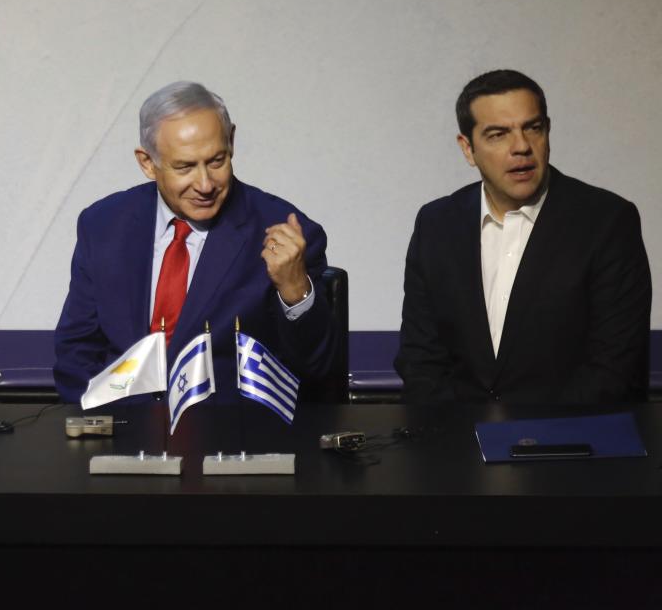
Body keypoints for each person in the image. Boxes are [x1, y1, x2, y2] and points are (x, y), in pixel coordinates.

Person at [54, 81, 339, 403]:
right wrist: (98, 424)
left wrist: (294, 289)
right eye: (185, 167)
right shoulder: (103, 225)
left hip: (232, 437)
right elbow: (76, 350)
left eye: (216, 161)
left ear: (231, 141)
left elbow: (316, 368)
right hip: (122, 428)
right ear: (148, 163)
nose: (205, 184)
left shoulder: (286, 231)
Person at [395, 69, 651, 403]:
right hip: (456, 440)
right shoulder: (436, 223)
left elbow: (614, 367)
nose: (521, 147)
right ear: (467, 149)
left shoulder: (608, 221)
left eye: (533, 128)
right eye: (498, 134)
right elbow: (420, 359)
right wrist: (459, 436)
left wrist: (528, 440)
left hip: (570, 443)